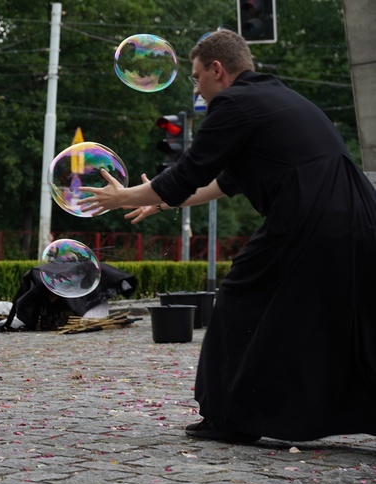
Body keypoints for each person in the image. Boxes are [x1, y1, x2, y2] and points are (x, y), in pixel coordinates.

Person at [78, 29, 376, 443]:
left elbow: (187, 173)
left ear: (218, 70)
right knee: (348, 318)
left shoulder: (234, 103)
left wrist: (123, 196)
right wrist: (163, 201)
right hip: (359, 212)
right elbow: (223, 181)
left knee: (238, 298)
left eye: (198, 77)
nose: (197, 89)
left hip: (311, 215)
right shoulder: (273, 97)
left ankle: (231, 417)